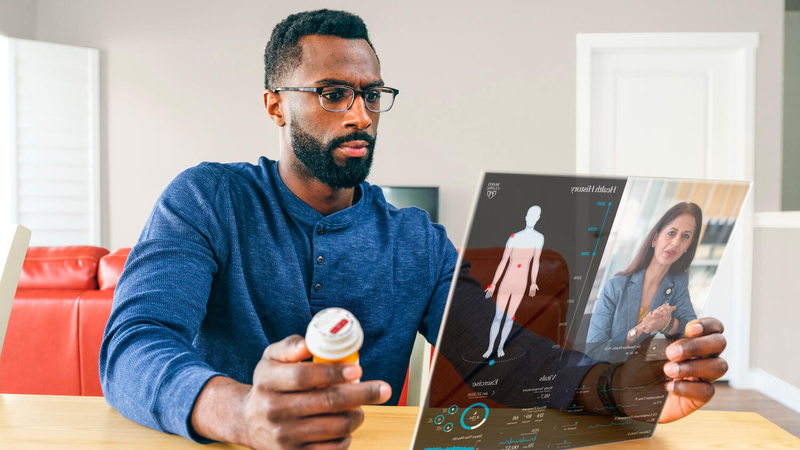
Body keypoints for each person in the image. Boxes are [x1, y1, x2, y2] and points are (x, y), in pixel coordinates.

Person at [100, 10, 728, 450]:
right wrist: (241, 414)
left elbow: (501, 357)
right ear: (274, 103)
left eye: (372, 96)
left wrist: (619, 389)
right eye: (332, 93)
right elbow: (132, 346)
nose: (360, 114)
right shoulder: (208, 199)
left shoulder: (415, 240)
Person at [586, 202, 701, 360]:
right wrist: (640, 330)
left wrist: (666, 323)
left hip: (648, 376)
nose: (676, 243)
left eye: (685, 236)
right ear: (655, 238)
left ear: (688, 245)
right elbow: (594, 351)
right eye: (671, 233)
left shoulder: (678, 284)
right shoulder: (615, 287)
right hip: (608, 375)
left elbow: (692, 329)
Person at [483, 205, 544, 358]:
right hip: (507, 280)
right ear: (526, 217)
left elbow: (535, 261)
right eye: (529, 215)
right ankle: (490, 348)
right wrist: (494, 285)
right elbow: (503, 262)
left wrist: (533, 282)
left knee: (510, 317)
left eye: (534, 216)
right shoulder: (514, 237)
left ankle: (501, 347)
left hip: (521, 282)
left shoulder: (539, 238)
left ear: (538, 219)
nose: (531, 219)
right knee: (498, 316)